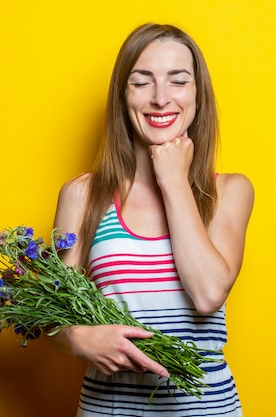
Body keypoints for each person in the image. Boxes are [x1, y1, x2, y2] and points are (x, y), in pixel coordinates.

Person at [50, 23, 254, 416]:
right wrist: (79, 339)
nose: (161, 99)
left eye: (178, 81)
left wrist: (174, 179)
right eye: (142, 82)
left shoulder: (229, 191)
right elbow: (56, 322)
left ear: (198, 95)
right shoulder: (82, 195)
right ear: (122, 96)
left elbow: (209, 293)